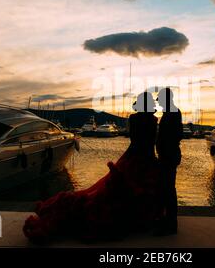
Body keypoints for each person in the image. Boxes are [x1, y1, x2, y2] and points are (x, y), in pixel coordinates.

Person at [23, 92, 160, 243]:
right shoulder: (153, 120)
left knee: (106, 192)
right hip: (146, 159)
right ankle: (139, 218)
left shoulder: (134, 119)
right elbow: (150, 142)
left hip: (133, 157)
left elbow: (135, 141)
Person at [155, 88, 183, 235]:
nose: (158, 101)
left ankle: (171, 224)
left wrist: (164, 149)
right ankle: (168, 220)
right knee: (166, 189)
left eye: (159, 98)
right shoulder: (170, 113)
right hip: (167, 155)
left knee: (168, 190)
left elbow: (177, 135)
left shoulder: (172, 113)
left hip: (169, 156)